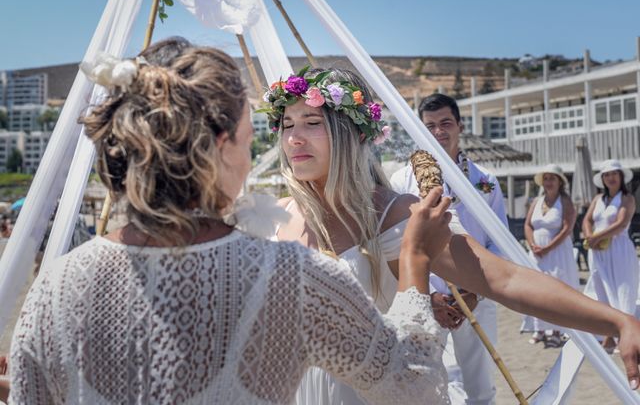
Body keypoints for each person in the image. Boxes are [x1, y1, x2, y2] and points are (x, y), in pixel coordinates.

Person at [8, 39, 456, 404]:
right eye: (247, 139)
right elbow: (410, 386)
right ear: (222, 149)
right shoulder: (292, 278)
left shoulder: (57, 286)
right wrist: (415, 261)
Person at [266, 72, 640, 404]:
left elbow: (504, 279)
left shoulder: (395, 214)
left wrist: (617, 322)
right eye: (286, 125)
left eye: (311, 122)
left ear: (350, 133)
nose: (294, 138)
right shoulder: (271, 218)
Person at [390, 93, 505, 405]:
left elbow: (499, 242)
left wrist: (475, 292)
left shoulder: (486, 181)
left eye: (445, 123)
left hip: (477, 296)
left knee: (481, 388)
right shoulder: (402, 181)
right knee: (437, 385)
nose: (439, 131)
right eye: (430, 126)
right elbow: (397, 244)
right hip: (428, 299)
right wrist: (430, 295)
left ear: (459, 126)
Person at [583, 159, 638, 353]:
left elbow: (622, 223)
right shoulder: (598, 199)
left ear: (621, 177)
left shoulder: (627, 198)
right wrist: (589, 236)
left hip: (619, 249)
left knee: (622, 290)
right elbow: (587, 219)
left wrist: (596, 237)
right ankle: (609, 337)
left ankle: (624, 335)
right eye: (606, 174)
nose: (610, 177)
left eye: (614, 173)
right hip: (598, 251)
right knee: (602, 291)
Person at [522, 164, 579, 347]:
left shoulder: (565, 201)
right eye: (546, 178)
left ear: (559, 182)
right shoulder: (537, 201)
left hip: (557, 250)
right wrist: (532, 244)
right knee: (535, 289)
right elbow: (528, 225)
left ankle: (556, 330)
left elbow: (567, 228)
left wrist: (548, 248)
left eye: (552, 178)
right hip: (536, 250)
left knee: (556, 289)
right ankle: (539, 329)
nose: (548, 182)